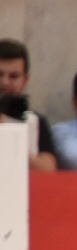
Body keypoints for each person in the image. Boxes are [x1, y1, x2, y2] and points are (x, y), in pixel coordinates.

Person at [0, 38, 58, 171]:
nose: (5, 83)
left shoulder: (34, 120)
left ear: (25, 79)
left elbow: (49, 170)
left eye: (14, 76)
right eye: (0, 74)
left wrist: (12, 139)